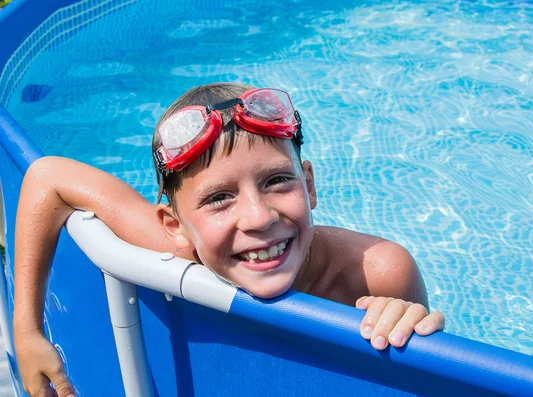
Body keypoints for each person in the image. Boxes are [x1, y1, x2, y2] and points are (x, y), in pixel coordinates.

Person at [13, 82, 445, 397]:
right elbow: (47, 177)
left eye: (278, 181)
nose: (258, 218)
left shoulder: (378, 274)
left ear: (309, 185)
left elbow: (429, 381)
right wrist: (27, 331)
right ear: (174, 225)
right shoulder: (181, 247)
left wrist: (404, 317)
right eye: (219, 198)